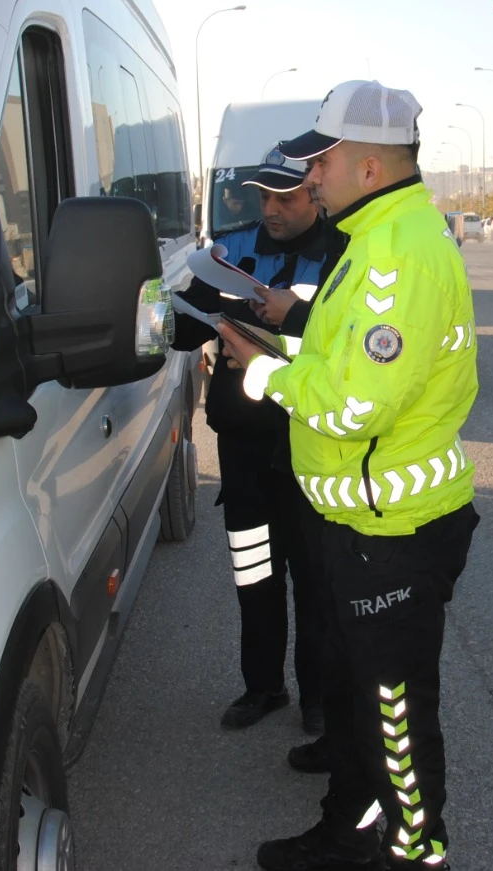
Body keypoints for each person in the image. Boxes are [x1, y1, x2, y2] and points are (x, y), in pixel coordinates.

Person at [218, 80, 478, 871]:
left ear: (368, 167)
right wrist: (285, 345)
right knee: (363, 701)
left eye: (321, 162)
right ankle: (350, 828)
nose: (311, 178)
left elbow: (355, 404)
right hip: (358, 521)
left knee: (394, 714)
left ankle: (414, 850)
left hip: (391, 530)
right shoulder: (371, 237)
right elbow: (340, 354)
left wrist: (262, 372)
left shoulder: (398, 253)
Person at [171, 150, 339, 733]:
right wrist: (171, 311)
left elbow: (346, 338)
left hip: (311, 443)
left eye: (284, 198)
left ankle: (319, 698)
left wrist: (284, 325)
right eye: (263, 197)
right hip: (243, 449)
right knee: (254, 572)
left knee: (315, 580)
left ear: (313, 193)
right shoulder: (232, 250)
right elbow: (185, 329)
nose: (270, 209)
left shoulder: (343, 252)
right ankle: (263, 687)